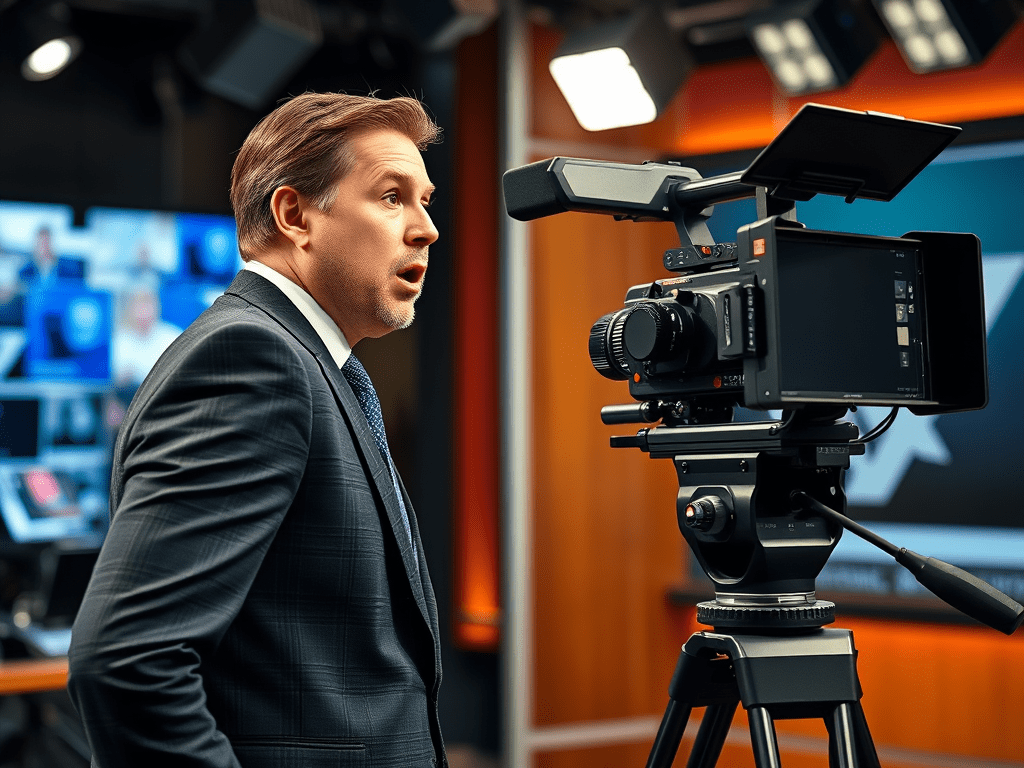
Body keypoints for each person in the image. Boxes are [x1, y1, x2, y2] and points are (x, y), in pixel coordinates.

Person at [67, 92, 446, 768]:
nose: (425, 229)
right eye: (392, 196)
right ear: (294, 214)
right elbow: (127, 662)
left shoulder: (307, 363)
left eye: (426, 200)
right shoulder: (255, 359)